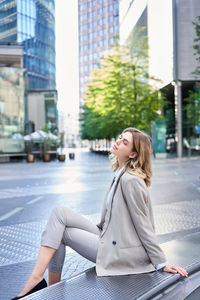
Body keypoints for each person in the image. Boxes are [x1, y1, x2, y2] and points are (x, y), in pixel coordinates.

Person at [11, 127, 188, 299]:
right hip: (108, 236)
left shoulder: (130, 180)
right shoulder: (120, 173)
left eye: (124, 142)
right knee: (60, 213)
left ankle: (46, 289)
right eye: (120, 137)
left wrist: (161, 263)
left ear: (133, 154)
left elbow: (144, 225)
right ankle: (40, 283)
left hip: (121, 252)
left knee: (62, 233)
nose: (118, 141)